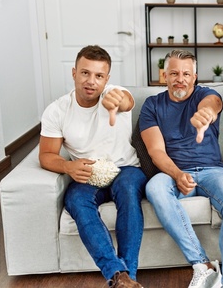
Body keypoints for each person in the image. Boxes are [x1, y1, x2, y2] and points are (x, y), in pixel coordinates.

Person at [39, 45, 147, 288]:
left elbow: (126, 101)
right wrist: (68, 167)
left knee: (128, 192)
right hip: (87, 174)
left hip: (126, 169)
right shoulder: (57, 111)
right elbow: (46, 155)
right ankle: (119, 275)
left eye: (99, 76)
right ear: (74, 73)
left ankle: (128, 274)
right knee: (75, 200)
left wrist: (115, 100)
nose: (91, 81)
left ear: (107, 79)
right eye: (85, 73)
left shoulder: (117, 94)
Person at [139, 49, 223, 288]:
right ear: (163, 75)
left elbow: (214, 103)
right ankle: (203, 265)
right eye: (174, 73)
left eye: (187, 73)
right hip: (172, 172)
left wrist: (206, 112)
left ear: (195, 76)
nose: (181, 79)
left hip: (213, 170)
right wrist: (177, 174)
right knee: (154, 187)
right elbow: (156, 151)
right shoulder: (152, 105)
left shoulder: (206, 95)